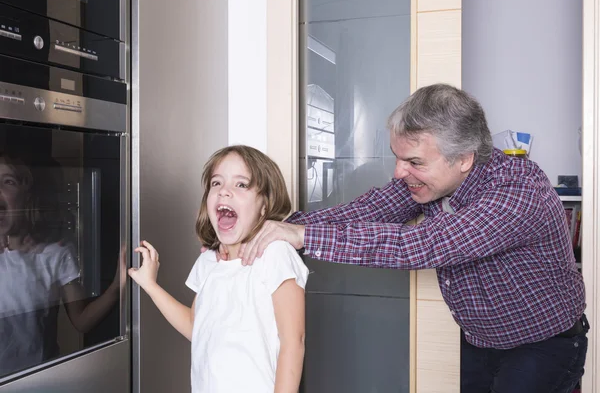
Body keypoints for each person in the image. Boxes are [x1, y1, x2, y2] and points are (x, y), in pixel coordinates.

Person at [234, 84, 588, 393]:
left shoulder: (517, 191)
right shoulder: (431, 179)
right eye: (398, 158)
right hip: (480, 341)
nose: (399, 172)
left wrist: (303, 236)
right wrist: (273, 230)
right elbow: (368, 210)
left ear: (463, 158)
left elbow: (419, 245)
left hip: (544, 345)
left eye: (414, 161)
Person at [128, 145, 309, 393]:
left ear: (264, 206)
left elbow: (293, 342)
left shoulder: (276, 254)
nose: (224, 191)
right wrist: (150, 285)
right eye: (216, 183)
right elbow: (196, 326)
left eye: (241, 185)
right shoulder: (208, 261)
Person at [0, 153, 122, 378]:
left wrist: (117, 287)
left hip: (41, 377)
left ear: (26, 195)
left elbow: (82, 320)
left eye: (8, 182)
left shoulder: (54, 253)